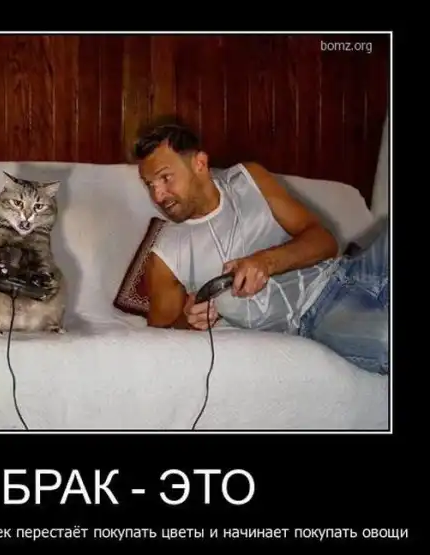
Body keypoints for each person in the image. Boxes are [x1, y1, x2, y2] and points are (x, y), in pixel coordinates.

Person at [133, 122, 389, 375]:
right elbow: (159, 339)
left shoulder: (247, 179)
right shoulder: (166, 254)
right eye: (149, 185)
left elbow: (325, 242)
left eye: (165, 178)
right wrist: (188, 320)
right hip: (317, 314)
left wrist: (266, 262)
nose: (158, 196)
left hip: (352, 269)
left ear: (199, 163)